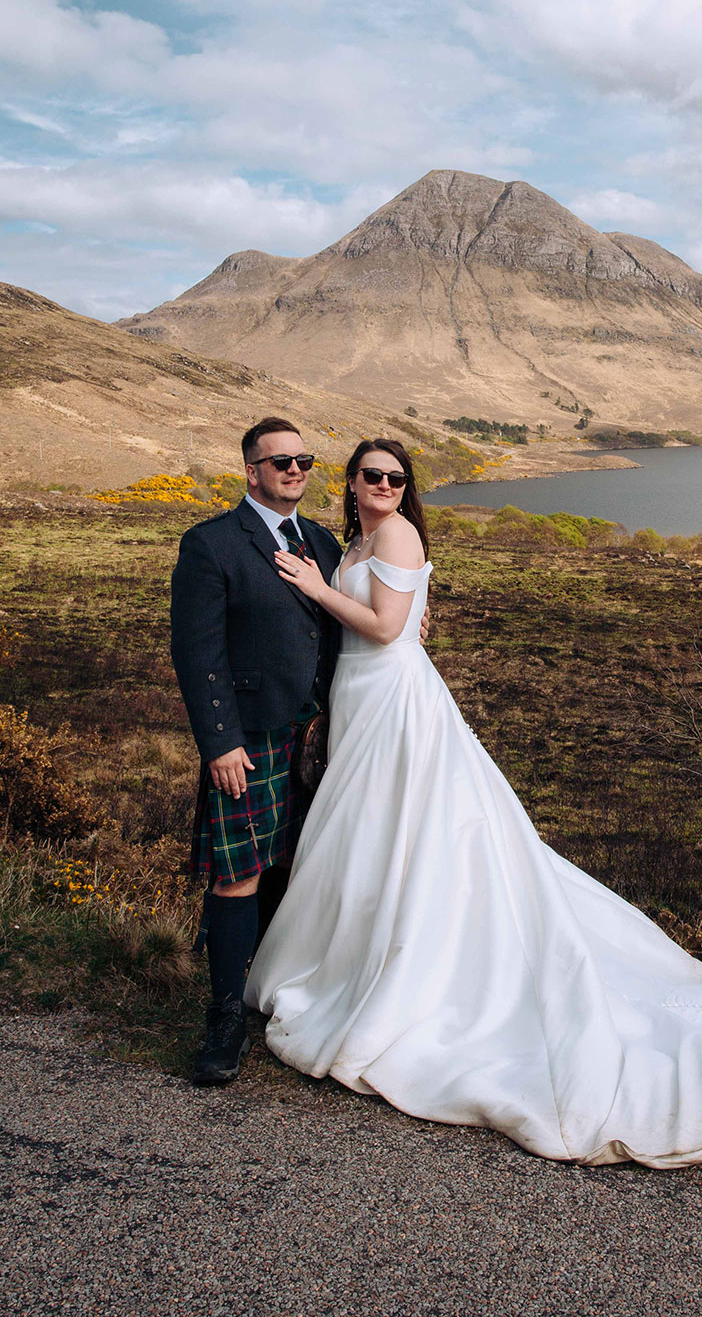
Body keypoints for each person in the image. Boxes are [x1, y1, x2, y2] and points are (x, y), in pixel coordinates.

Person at [246, 439, 702, 1168]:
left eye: (397, 477)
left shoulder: (394, 532)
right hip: (361, 698)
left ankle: (396, 976)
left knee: (406, 832)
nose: (386, 485)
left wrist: (313, 585)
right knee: (370, 833)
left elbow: (389, 628)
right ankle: (352, 962)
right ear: (353, 482)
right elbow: (390, 619)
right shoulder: (356, 539)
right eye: (373, 475)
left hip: (395, 702)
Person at [171, 418, 429, 1087]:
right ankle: (224, 1017)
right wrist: (220, 742)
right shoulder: (212, 544)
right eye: (278, 460)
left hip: (319, 736)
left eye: (303, 459)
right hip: (250, 739)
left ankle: (271, 986)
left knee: (297, 865)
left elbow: (368, 613)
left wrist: (413, 621)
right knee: (238, 873)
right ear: (250, 470)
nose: (293, 469)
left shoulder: (321, 541)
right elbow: (197, 653)